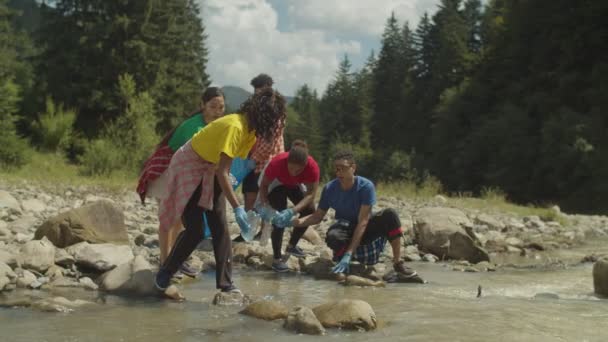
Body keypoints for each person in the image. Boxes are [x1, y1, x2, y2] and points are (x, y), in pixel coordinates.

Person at [154, 89, 287, 293]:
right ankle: (165, 272)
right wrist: (238, 207)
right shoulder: (235, 126)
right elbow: (223, 172)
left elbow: (226, 168)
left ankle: (225, 284)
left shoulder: (250, 133)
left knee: (220, 227)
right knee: (195, 229)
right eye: (275, 119)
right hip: (190, 165)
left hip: (212, 168)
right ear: (264, 115)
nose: (276, 125)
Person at [283, 150, 420, 279]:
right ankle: (343, 262)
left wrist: (349, 253)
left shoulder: (366, 187)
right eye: (336, 168)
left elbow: (363, 222)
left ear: (353, 168)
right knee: (332, 235)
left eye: (342, 168)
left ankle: (397, 263)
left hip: (365, 229)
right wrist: (293, 222)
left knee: (390, 215)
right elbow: (318, 216)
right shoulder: (330, 188)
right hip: (345, 229)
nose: (338, 172)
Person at [136, 87, 225, 277]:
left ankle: (175, 259)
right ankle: (164, 261)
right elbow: (201, 156)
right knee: (169, 216)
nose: (217, 111)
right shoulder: (194, 126)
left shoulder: (217, 126)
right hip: (167, 169)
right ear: (202, 105)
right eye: (213, 106)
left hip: (186, 172)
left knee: (183, 220)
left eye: (221, 107)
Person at [234, 74, 285, 242]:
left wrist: (254, 158)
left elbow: (271, 142)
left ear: (269, 87)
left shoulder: (275, 110)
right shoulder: (255, 108)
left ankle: (264, 232)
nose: (258, 93)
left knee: (265, 196)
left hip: (267, 160)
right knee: (249, 193)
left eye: (261, 89)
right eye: (256, 91)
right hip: (251, 157)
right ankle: (247, 230)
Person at [256, 140, 320, 272]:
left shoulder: (312, 167)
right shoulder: (277, 163)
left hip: (294, 185)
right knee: (279, 215)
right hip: (276, 184)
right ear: (287, 162)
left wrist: (293, 211)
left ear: (305, 165)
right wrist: (266, 205)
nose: (294, 172)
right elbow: (264, 185)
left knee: (309, 210)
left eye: (299, 170)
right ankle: (277, 259)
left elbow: (311, 194)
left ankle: (292, 246)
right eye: (291, 168)